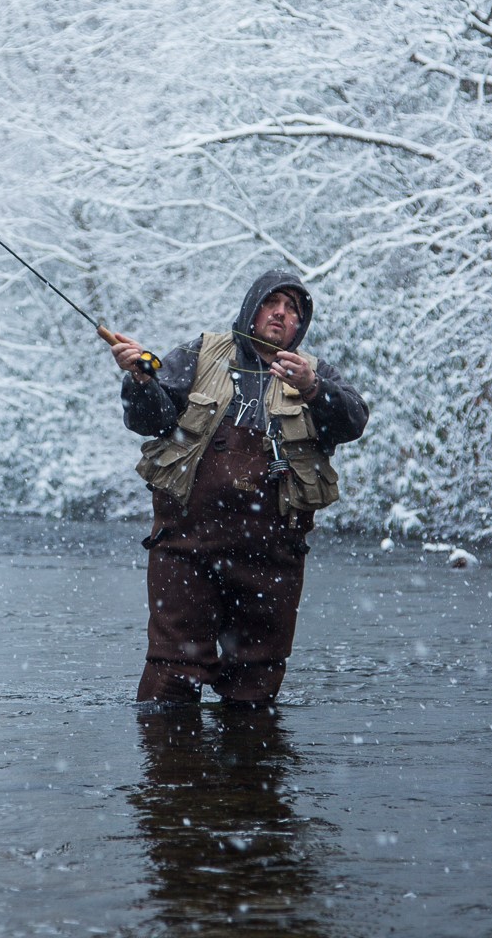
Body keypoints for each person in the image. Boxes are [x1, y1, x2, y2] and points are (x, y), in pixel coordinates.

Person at [109, 269, 369, 707]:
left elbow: (353, 421)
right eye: (274, 304)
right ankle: (172, 772)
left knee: (255, 686)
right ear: (252, 309)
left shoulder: (314, 373)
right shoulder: (200, 353)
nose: (282, 314)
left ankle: (244, 774)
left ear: (299, 327)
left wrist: (312, 389)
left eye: (293, 310)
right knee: (172, 676)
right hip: (185, 549)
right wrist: (139, 381)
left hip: (272, 558)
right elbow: (148, 420)